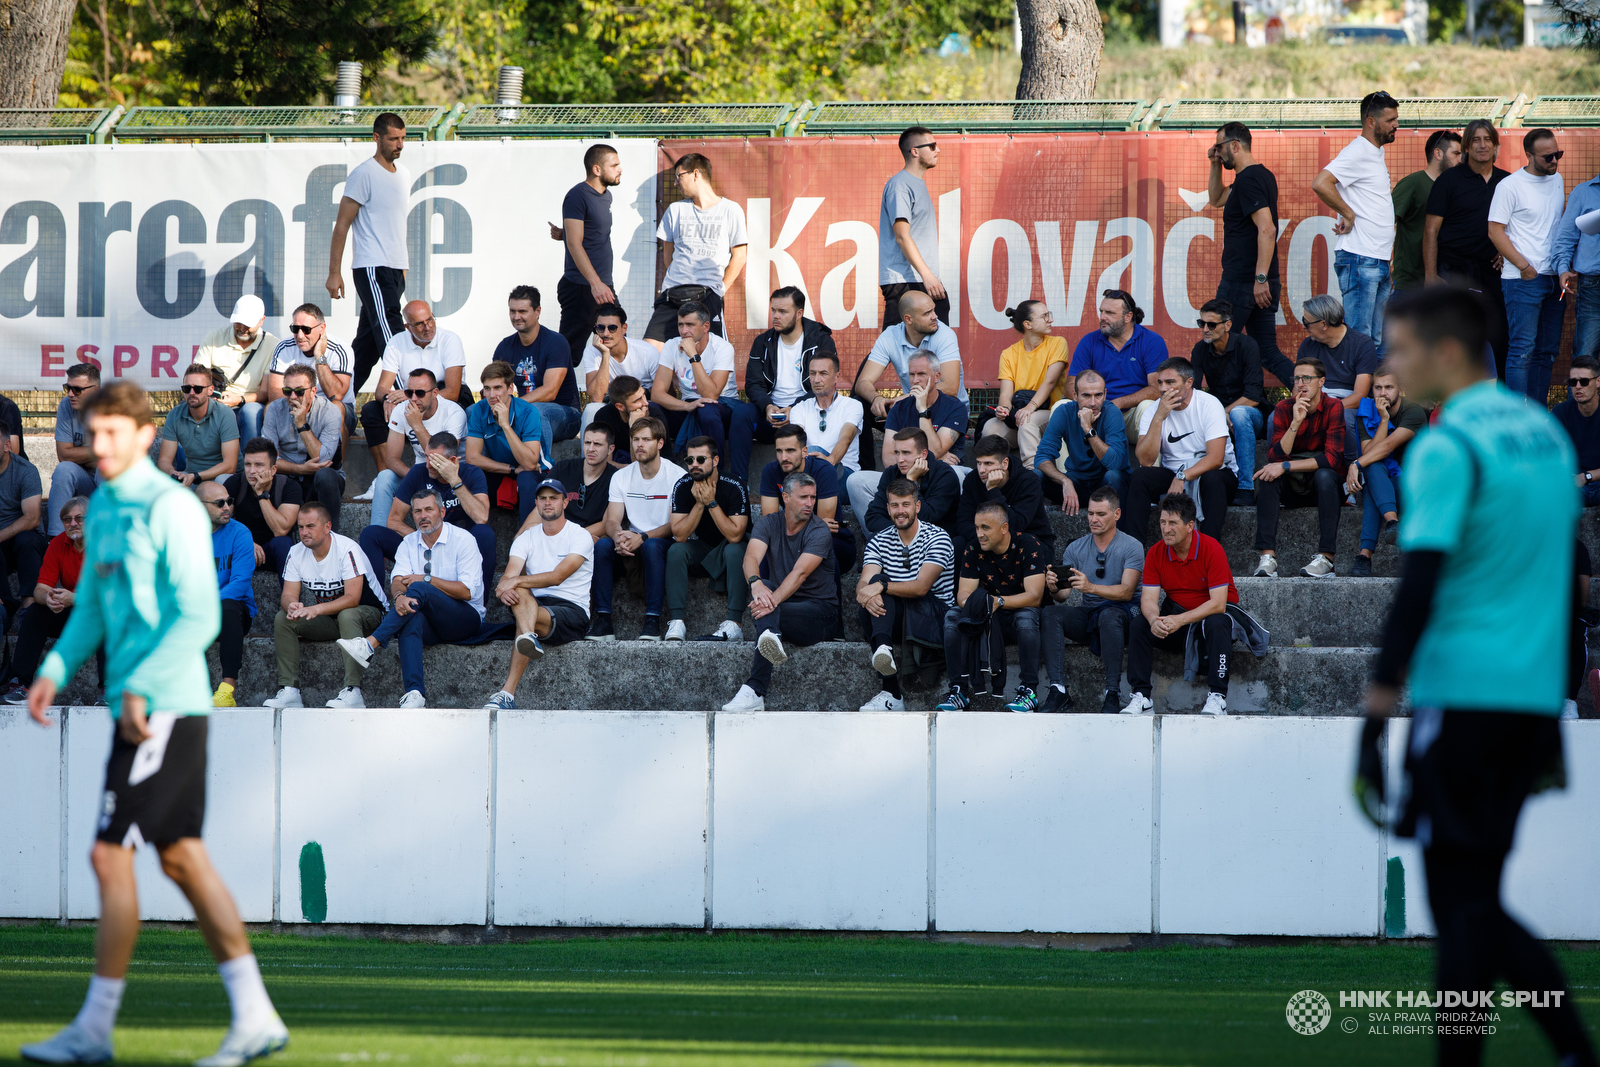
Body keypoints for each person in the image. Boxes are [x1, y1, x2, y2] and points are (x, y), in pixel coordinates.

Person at [1356, 286, 1596, 1067]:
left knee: (1458, 904)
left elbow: (1421, 581)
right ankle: (1568, 1052)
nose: (1391, 365)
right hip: (1531, 701)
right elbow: (1570, 577)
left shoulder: (1446, 444)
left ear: (1446, 351)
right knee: (1478, 900)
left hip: (1462, 695)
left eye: (1400, 349)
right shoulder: (1548, 436)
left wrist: (1374, 714)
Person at [23, 381, 289, 1067]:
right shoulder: (105, 504)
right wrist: (54, 668)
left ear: (146, 437)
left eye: (111, 434)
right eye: (92, 433)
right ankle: (255, 1013)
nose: (97, 446)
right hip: (138, 706)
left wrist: (139, 684)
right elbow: (94, 607)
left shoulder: (172, 507)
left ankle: (94, 1027)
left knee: (111, 852)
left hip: (165, 705)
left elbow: (201, 616)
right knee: (179, 855)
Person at [337, 488, 485, 709]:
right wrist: (398, 597)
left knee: (420, 587)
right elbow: (397, 580)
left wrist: (426, 580)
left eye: (428, 510)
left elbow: (466, 592)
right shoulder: (409, 543)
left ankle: (371, 643)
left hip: (465, 618)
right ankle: (415, 693)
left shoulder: (464, 540)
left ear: (442, 512)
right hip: (429, 621)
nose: (423, 516)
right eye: (417, 511)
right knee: (410, 615)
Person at [721, 472, 839, 712]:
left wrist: (768, 603)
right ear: (785, 497)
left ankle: (755, 689)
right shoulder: (768, 523)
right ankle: (769, 639)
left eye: (813, 498)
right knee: (765, 585)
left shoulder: (819, 531)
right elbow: (751, 557)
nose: (810, 503)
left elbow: (800, 574)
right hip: (783, 604)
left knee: (768, 608)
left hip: (820, 614)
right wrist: (756, 584)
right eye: (803, 497)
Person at [1121, 493, 1241, 717]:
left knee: (1218, 621)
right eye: (1163, 522)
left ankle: (1218, 697)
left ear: (1190, 526)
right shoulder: (1156, 552)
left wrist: (1179, 620)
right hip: (1177, 620)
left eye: (1173, 523)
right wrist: (1154, 620)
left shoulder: (1211, 548)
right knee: (1139, 624)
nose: (1166, 529)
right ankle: (1142, 696)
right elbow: (1148, 599)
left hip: (1209, 626)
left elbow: (1218, 604)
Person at [482, 479, 596, 711]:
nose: (547, 502)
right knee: (521, 593)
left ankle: (508, 692)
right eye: (542, 498)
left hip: (571, 611)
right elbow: (508, 577)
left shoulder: (580, 535)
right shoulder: (526, 538)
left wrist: (513, 582)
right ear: (535, 503)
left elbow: (557, 577)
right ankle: (528, 637)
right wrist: (505, 589)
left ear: (565, 502)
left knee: (522, 596)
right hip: (534, 605)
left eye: (553, 498)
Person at [266, 502, 387, 711]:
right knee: (283, 618)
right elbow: (287, 595)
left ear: (328, 526)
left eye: (311, 526)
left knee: (348, 615)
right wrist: (292, 605)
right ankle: (290, 691)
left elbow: (352, 598)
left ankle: (353, 691)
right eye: (301, 527)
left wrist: (315, 609)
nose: (304, 532)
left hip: (370, 616)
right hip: (333, 619)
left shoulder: (346, 549)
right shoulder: (296, 552)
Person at [326, 111, 410, 398]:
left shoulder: (404, 174)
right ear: (377, 138)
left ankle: (337, 400)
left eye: (402, 138)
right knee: (394, 338)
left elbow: (394, 224)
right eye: (393, 139)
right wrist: (334, 272)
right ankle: (408, 402)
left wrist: (402, 268)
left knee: (367, 346)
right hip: (372, 268)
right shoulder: (364, 173)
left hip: (394, 270)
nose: (399, 144)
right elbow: (342, 226)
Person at [1040, 486, 1144, 715]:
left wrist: (1090, 587)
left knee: (1109, 615)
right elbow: (1063, 597)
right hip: (1090, 617)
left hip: (1124, 615)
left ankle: (1112, 692)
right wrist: (1054, 586)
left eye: (1101, 514)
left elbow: (1127, 592)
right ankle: (1058, 690)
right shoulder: (1076, 548)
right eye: (1090, 514)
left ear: (1116, 514)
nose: (1093, 519)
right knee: (1049, 613)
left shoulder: (1132, 546)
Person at [935, 501, 1047, 713]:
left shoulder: (1028, 544)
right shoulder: (973, 548)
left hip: (1016, 613)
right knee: (952, 617)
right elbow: (963, 595)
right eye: (977, 527)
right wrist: (981, 605)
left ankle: (1028, 691)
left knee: (1026, 619)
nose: (979, 534)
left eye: (985, 527)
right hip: (986, 615)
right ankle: (958, 690)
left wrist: (999, 601)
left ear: (1004, 528)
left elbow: (1034, 597)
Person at [857, 477, 956, 712]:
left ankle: (889, 685)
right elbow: (864, 582)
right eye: (894, 505)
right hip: (897, 613)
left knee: (881, 585)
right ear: (888, 508)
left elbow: (921, 587)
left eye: (905, 504)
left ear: (917, 506)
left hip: (936, 615)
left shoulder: (937, 537)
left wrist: (879, 588)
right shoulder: (879, 540)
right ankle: (885, 657)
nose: (900, 511)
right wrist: (866, 593)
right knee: (873, 591)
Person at [358, 431, 495, 601]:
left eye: (435, 460)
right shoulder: (418, 472)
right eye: (427, 457)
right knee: (371, 534)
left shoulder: (472, 473)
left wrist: (454, 480)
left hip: (459, 550)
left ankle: (480, 606)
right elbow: (393, 520)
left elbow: (481, 517)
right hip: (422, 545)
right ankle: (375, 605)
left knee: (484, 533)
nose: (428, 464)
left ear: (452, 461)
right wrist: (423, 540)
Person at [1312, 90, 1399, 353]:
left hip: (1377, 260)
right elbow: (1320, 183)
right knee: (1361, 339)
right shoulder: (1359, 150)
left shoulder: (1374, 151)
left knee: (1375, 341)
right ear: (1370, 122)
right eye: (1390, 120)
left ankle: (1372, 396)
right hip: (1361, 259)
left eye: (1397, 118)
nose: (1396, 124)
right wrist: (1348, 214)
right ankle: (1354, 394)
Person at [1207, 121, 1293, 385]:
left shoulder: (1249, 180)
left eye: (1220, 148)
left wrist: (1259, 279)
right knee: (1267, 353)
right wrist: (1214, 164)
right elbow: (1216, 199)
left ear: (1235, 145)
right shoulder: (1254, 177)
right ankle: (1311, 397)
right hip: (1254, 282)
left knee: (1216, 346)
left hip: (1244, 282)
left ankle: (1217, 415)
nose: (1217, 152)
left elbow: (1267, 229)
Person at [356, 298, 468, 498]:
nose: (428, 327)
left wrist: (418, 399)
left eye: (430, 320)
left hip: (442, 396)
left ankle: (449, 468)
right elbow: (381, 388)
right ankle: (384, 477)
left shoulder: (450, 339)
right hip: (411, 396)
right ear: (408, 327)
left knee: (464, 402)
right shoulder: (397, 342)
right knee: (371, 411)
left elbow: (453, 390)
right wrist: (389, 398)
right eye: (420, 324)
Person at [1425, 118, 1512, 375]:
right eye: (1476, 140)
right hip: (1455, 271)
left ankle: (1497, 402)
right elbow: (1431, 230)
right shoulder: (1448, 180)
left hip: (1494, 274)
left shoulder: (1507, 182)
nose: (1482, 145)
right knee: (1458, 340)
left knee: (1499, 338)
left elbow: (1516, 227)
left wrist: (1505, 250)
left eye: (1488, 140)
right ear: (1466, 147)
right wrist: (1431, 275)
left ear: (1496, 145)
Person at [587, 418, 686, 642]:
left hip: (661, 542)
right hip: (631, 541)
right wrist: (618, 537)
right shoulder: (621, 476)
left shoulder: (677, 475)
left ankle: (652, 620)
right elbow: (612, 519)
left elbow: (677, 526)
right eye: (635, 440)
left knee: (651, 546)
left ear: (660, 443)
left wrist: (642, 537)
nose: (639, 445)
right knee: (602, 545)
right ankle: (603, 621)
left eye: (646, 439)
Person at [1490, 128, 1568, 408]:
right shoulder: (1510, 186)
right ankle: (1516, 416)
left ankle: (1536, 413)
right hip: (1523, 279)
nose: (1554, 161)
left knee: (1547, 352)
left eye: (1558, 154)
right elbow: (1495, 231)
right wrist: (1523, 266)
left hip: (1554, 278)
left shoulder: (1557, 179)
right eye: (1548, 157)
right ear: (1529, 155)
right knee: (1522, 350)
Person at [1121, 358, 1238, 541]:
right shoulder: (1153, 411)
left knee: (1212, 479)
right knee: (1139, 477)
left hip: (1216, 473)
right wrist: (1159, 418)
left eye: (1170, 382)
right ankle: (1133, 553)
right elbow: (1145, 460)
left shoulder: (1209, 404)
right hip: (1172, 472)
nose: (1163, 388)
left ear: (1188, 382)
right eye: (1160, 383)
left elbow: (1216, 458)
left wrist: (1182, 476)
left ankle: (1207, 550)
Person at [1, 496, 102, 705]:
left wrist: (74, 598)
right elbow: (40, 588)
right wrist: (48, 598)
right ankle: (20, 684)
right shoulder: (57, 544)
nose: (72, 523)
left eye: (79, 518)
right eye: (67, 519)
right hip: (73, 617)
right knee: (34, 613)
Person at [1251, 356, 1346, 579]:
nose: (1300, 383)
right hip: (1292, 488)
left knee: (1325, 475)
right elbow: (1275, 454)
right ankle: (1267, 558)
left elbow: (1332, 459)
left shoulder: (1334, 406)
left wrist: (1285, 466)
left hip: (1321, 489)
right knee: (1267, 476)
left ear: (1321, 381)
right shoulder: (1285, 407)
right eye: (1297, 378)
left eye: (1307, 378)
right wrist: (1295, 422)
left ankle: (1326, 559)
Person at [853, 290, 966, 464]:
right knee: (858, 404)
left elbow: (950, 387)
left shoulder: (945, 335)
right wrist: (876, 398)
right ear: (908, 319)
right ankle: (865, 468)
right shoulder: (890, 336)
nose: (935, 316)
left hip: (947, 411)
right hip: (911, 411)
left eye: (934, 310)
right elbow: (863, 382)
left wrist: (905, 398)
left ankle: (930, 455)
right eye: (927, 313)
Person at [648, 153, 747, 342]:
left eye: (679, 176)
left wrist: (720, 289)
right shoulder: (675, 210)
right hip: (672, 292)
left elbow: (740, 256)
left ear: (695, 174)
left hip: (708, 294)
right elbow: (668, 256)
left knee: (709, 355)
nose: (676, 183)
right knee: (651, 351)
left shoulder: (730, 210)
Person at [650, 302, 755, 480]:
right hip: (689, 406)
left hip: (721, 407)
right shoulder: (671, 345)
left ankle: (716, 474)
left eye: (690, 325)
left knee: (706, 408)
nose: (684, 331)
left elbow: (711, 395)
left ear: (706, 326)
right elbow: (657, 394)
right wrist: (686, 406)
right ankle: (666, 468)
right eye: (680, 325)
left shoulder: (722, 348)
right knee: (652, 408)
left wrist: (693, 356)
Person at [665, 437, 750, 643]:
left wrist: (711, 502)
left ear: (715, 460)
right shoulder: (683, 485)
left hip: (735, 546)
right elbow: (679, 535)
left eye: (701, 459)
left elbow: (735, 535)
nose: (694, 464)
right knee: (676, 550)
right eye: (690, 459)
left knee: (734, 549)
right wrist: (699, 504)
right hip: (705, 548)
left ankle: (735, 622)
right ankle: (677, 621)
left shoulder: (734, 484)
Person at [1347, 362, 1426, 576]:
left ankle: (1365, 555)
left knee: (1371, 471)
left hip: (1415, 484)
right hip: (1385, 484)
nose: (1383, 393)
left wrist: (1355, 464)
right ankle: (1392, 523)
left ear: (1401, 390)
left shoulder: (1414, 411)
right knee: (1372, 467)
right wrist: (1383, 420)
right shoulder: (1366, 412)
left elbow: (1387, 447)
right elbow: (1369, 453)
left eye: (1389, 387)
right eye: (1378, 387)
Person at [366, 368, 469, 529]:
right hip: (421, 472)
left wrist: (416, 425)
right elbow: (391, 459)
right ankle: (377, 534)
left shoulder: (453, 413)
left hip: (449, 476)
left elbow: (442, 461)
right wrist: (414, 477)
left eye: (420, 393)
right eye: (409, 393)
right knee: (385, 477)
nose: (413, 399)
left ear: (435, 392)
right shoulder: (401, 410)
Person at [1065, 289, 1167, 448]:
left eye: (1110, 313)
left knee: (1147, 407)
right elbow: (1072, 384)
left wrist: (1117, 403)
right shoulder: (1089, 341)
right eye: (1101, 311)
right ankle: (1064, 473)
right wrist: (1091, 406)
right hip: (1096, 414)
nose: (1102, 317)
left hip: (1132, 416)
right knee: (1060, 408)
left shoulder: (1151, 341)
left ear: (1128, 317)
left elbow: (1157, 389)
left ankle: (1149, 471)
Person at [1188, 299, 1266, 505]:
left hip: (1251, 415)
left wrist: (1224, 412)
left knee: (1239, 413)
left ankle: (1246, 487)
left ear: (1227, 325)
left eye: (1211, 324)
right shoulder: (1200, 350)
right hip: (1220, 415)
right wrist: (1218, 414)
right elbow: (1193, 390)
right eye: (1201, 323)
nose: (1205, 329)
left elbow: (1253, 396)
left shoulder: (1247, 345)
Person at [551, 143, 622, 361]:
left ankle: (610, 394)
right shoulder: (577, 195)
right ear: (597, 169)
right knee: (567, 356)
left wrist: (564, 233)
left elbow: (588, 232)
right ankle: (551, 395)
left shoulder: (606, 195)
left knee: (616, 345)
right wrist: (595, 283)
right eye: (615, 165)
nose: (620, 169)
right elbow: (575, 244)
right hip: (582, 288)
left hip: (601, 286)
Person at [759, 424, 856, 583]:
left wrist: (788, 525)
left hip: (837, 542)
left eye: (790, 451)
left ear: (804, 451)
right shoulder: (770, 471)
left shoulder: (823, 470)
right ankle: (764, 604)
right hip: (791, 537)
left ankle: (830, 608)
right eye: (779, 451)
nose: (784, 457)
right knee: (765, 550)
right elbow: (769, 522)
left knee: (818, 547)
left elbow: (822, 530)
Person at [980, 301, 1068, 469]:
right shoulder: (1008, 354)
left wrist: (1030, 407)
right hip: (1021, 418)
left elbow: (1050, 383)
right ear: (1027, 324)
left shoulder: (1058, 343)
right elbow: (1006, 395)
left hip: (1050, 417)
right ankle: (997, 477)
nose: (1050, 320)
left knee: (1029, 420)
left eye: (1049, 315)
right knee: (990, 428)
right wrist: (1003, 409)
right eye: (1044, 316)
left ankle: (1033, 474)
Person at [259, 363, 345, 529]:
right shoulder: (274, 410)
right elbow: (267, 460)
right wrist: (300, 469)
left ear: (313, 391)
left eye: (299, 391)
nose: (292, 397)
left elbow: (323, 459)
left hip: (320, 478)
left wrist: (302, 425)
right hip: (287, 476)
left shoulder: (330, 411)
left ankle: (333, 536)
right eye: (287, 391)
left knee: (325, 475)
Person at [1298, 293, 1378, 468]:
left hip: (1347, 406)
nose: (1304, 327)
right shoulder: (1307, 346)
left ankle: (1353, 471)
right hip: (1315, 404)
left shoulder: (1362, 344)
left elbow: (1360, 396)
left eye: (1306, 323)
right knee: (1277, 415)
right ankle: (1282, 470)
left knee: (1344, 416)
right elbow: (1298, 388)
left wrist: (1326, 410)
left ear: (1323, 324)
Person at [1034, 368, 1129, 514]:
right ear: (1075, 396)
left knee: (1114, 476)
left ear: (1105, 394)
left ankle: (1118, 534)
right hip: (1076, 483)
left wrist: (1088, 429)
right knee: (1036, 476)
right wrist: (1065, 481)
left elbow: (1114, 463)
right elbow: (1041, 458)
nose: (1092, 403)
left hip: (1107, 484)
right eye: (1086, 396)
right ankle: (1038, 534)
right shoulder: (1064, 412)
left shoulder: (1112, 413)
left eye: (1098, 395)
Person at [879, 126, 948, 325]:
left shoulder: (916, 183)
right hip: (906, 281)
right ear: (915, 151)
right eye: (932, 145)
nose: (938, 150)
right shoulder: (900, 185)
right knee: (890, 347)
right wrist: (927, 276)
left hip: (919, 279)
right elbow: (901, 236)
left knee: (933, 341)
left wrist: (929, 276)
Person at [196, 481, 256, 709]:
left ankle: (226, 690)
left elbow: (240, 583)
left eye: (229, 501)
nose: (227, 507)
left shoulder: (240, 533)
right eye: (219, 503)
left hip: (233, 614)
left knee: (229, 605)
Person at [465, 360, 549, 525]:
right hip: (505, 471)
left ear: (510, 389)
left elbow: (530, 464)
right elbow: (472, 457)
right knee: (468, 479)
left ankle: (528, 538)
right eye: (487, 388)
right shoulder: (479, 409)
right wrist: (511, 469)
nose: (491, 395)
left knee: (526, 479)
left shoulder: (528, 412)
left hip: (537, 473)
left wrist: (505, 425)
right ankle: (474, 537)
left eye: (497, 388)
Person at [744, 286, 831, 443]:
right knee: (741, 413)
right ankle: (737, 469)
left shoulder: (821, 340)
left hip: (807, 412)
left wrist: (795, 409)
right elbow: (753, 384)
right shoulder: (762, 342)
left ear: (799, 314)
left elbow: (826, 384)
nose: (776, 316)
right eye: (773, 310)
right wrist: (768, 407)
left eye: (782, 312)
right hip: (771, 415)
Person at [496, 285, 579, 443]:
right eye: (512, 311)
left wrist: (514, 404)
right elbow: (495, 383)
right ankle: (483, 467)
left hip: (566, 414)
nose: (516, 316)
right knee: (474, 411)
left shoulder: (556, 342)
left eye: (522, 311)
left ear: (537, 311)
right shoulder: (505, 346)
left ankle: (539, 467)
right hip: (524, 410)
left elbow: (550, 391)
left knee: (536, 412)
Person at [195, 294, 278, 444]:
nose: (242, 328)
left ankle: (250, 463)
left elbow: (266, 393)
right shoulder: (214, 337)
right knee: (186, 410)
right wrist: (210, 395)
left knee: (251, 412)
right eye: (238, 322)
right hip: (214, 402)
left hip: (248, 404)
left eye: (248, 324)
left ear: (262, 321)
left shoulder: (272, 345)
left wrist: (239, 400)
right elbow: (196, 377)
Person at [955, 435, 1053, 560]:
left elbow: (1017, 524)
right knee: (958, 543)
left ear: (1004, 463)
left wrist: (993, 490)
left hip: (1028, 541)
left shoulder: (1028, 481)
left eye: (988, 463)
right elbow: (963, 522)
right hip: (987, 541)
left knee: (1025, 543)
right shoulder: (973, 480)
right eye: (978, 463)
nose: (981, 470)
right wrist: (987, 537)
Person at [1390, 130, 1463, 292]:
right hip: (1409, 283)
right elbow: (1385, 224)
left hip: (1447, 281)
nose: (1461, 160)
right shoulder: (1412, 184)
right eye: (1456, 153)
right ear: (1438, 153)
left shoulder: (1457, 188)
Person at [262, 303, 354, 429]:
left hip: (332, 406)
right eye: (295, 329)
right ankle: (273, 449)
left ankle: (333, 449)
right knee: (270, 408)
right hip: (294, 403)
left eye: (306, 330)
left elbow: (336, 395)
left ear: (322, 328)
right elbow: (275, 393)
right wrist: (301, 406)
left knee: (336, 408)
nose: (300, 336)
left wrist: (319, 357)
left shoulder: (340, 349)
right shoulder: (283, 348)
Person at [222, 439, 302, 579]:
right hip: (242, 549)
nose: (252, 471)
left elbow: (281, 530)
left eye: (259, 465)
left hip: (273, 552)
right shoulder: (235, 483)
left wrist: (261, 494)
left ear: (273, 470)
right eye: (248, 464)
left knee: (283, 543)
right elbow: (220, 521)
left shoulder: (289, 487)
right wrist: (246, 543)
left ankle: (291, 599)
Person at [579, 303, 662, 435]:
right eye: (600, 328)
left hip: (643, 403)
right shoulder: (592, 351)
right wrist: (605, 355)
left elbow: (662, 392)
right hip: (612, 405)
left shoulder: (647, 352)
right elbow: (596, 398)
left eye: (612, 328)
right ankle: (589, 455)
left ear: (624, 328)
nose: (605, 333)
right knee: (591, 410)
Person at [861, 428, 960, 538]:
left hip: (935, 539)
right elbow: (873, 517)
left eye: (906, 453)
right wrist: (900, 532)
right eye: (897, 453)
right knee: (874, 538)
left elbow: (929, 518)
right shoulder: (891, 473)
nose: (900, 459)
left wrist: (912, 481)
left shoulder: (944, 475)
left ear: (923, 454)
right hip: (898, 537)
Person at [880, 350, 968, 467]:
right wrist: (935, 458)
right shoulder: (898, 408)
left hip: (943, 475)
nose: (915, 380)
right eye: (912, 374)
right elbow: (888, 460)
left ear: (936, 377)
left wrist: (922, 410)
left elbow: (934, 451)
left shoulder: (955, 408)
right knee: (856, 480)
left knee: (959, 475)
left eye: (921, 374)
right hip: (905, 478)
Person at [158, 365, 239, 486]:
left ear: (210, 390)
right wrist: (175, 475)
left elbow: (230, 466)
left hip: (222, 477)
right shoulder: (174, 415)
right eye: (187, 388)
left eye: (198, 389)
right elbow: (164, 460)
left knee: (219, 482)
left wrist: (197, 476)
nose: (191, 393)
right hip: (191, 476)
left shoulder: (225, 414)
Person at [787, 351, 864, 479]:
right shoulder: (799, 408)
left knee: (813, 453)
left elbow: (846, 438)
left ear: (836, 377)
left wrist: (829, 462)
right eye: (812, 373)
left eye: (823, 373)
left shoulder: (852, 405)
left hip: (843, 473)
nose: (816, 380)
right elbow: (796, 443)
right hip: (809, 471)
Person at [48, 363, 100, 536]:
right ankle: (56, 539)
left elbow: (117, 456)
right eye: (67, 388)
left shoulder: (111, 408)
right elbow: (64, 454)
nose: (70, 394)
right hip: (82, 480)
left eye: (77, 389)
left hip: (108, 483)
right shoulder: (66, 406)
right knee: (64, 470)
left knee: (106, 469)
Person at [1555, 163, 1600, 361]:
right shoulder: (1583, 192)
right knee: (1585, 356)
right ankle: (1579, 392)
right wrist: (1562, 268)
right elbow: (1565, 237)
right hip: (1593, 284)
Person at [0, 431, 46, 618]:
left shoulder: (25, 471)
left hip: (22, 543)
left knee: (27, 540)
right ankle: (4, 607)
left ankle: (29, 608)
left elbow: (32, 518)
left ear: (7, 446)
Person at [546, 423, 616, 539]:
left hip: (589, 538)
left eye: (597, 444)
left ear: (610, 449)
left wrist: (571, 539)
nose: (591, 449)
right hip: (556, 534)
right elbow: (540, 508)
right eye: (587, 443)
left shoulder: (615, 478)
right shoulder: (562, 469)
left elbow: (607, 523)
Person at [1553, 356, 1600, 507]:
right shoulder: (1560, 413)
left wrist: (1586, 476)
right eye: (1573, 382)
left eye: (1584, 381)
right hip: (1572, 485)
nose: (1578, 386)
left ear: (1598, 382)